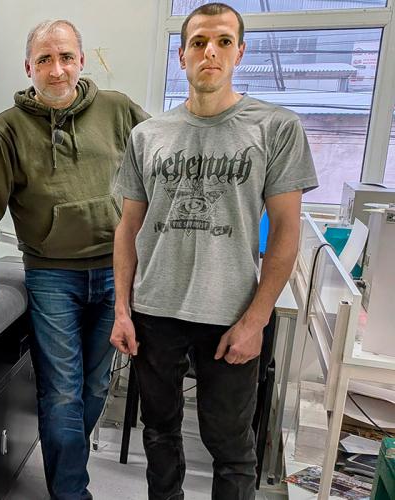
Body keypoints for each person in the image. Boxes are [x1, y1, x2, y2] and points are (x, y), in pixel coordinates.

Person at [110, 3, 319, 499]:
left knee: (229, 446)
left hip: (230, 314)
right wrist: (122, 309)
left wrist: (256, 320)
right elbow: (128, 227)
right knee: (158, 433)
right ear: (181, 54)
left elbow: (286, 232)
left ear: (239, 53)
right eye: (199, 42)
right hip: (155, 311)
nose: (210, 52)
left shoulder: (275, 128)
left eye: (223, 41)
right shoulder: (148, 135)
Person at [0, 19, 148, 499]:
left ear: (81, 61)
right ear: (28, 67)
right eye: (44, 60)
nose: (56, 70)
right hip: (52, 275)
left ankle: (66, 475)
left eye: (65, 58)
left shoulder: (119, 110)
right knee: (61, 392)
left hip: (117, 271)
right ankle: (71, 492)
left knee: (94, 388)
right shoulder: (7, 130)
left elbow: (162, 166)